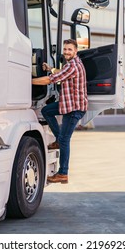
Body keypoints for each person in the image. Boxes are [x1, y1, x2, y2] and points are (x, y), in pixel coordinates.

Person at [32, 39, 88, 184]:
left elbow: (50, 80)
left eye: (70, 49)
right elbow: (60, 73)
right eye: (65, 49)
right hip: (67, 104)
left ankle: (63, 173)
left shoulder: (73, 65)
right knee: (47, 111)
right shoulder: (70, 64)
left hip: (75, 108)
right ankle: (58, 140)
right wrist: (50, 68)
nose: (66, 52)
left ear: (75, 51)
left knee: (65, 140)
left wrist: (28, 80)